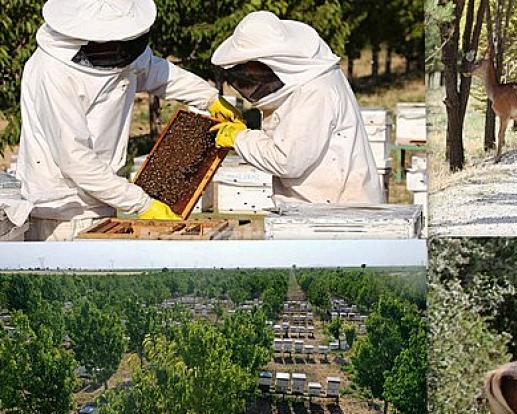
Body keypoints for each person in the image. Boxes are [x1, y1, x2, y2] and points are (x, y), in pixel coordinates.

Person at [17, 0, 241, 241]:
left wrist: (208, 98)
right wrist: (142, 204)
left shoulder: (121, 50)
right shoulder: (53, 72)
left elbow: (155, 70)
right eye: (112, 44)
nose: (120, 51)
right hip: (61, 213)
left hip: (102, 200)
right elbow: (75, 159)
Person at [210, 12, 383, 205]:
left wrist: (239, 138)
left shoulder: (314, 91)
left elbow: (286, 161)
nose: (249, 75)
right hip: (317, 205)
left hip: (336, 210)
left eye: (252, 66)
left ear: (271, 61)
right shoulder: (306, 80)